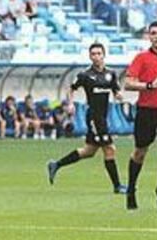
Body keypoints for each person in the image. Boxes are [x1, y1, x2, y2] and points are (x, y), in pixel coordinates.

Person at [47, 43, 126, 194]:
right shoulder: (85, 75)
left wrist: (119, 95)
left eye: (99, 53)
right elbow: (71, 89)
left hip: (103, 117)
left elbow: (116, 91)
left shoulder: (111, 74)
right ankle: (117, 186)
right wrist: (71, 103)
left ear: (104, 55)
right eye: (93, 54)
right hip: (94, 117)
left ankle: (56, 164)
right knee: (110, 149)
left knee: (89, 151)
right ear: (90, 56)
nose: (96, 56)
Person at [122, 21, 157, 210]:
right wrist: (148, 85)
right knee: (140, 152)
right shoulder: (142, 58)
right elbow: (128, 83)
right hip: (146, 110)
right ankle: (131, 189)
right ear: (149, 36)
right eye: (153, 33)